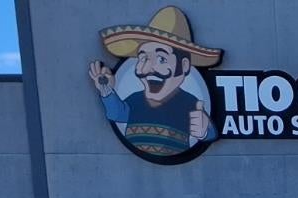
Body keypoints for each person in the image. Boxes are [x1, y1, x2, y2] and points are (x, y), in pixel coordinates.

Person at [89, 6, 222, 160]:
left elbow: (208, 131)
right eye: (143, 58)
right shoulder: (135, 99)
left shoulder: (190, 103)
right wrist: (106, 90)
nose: (147, 68)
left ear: (184, 66)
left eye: (161, 59)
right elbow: (117, 113)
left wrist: (205, 130)